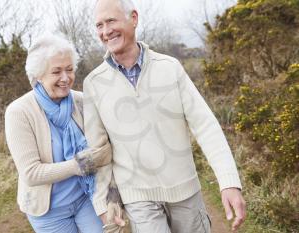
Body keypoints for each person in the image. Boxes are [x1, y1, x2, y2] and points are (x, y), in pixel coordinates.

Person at [83, 0, 246, 232]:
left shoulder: (170, 68)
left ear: (134, 18)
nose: (105, 31)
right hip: (137, 197)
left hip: (185, 190)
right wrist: (104, 202)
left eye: (111, 21)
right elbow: (98, 151)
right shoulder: (93, 84)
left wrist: (229, 182)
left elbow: (205, 126)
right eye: (99, 25)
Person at [5, 33, 112, 233]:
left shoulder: (81, 101)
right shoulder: (19, 112)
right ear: (38, 75)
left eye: (69, 70)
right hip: (48, 211)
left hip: (85, 198)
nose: (66, 78)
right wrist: (78, 165)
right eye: (56, 72)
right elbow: (31, 173)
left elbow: (104, 148)